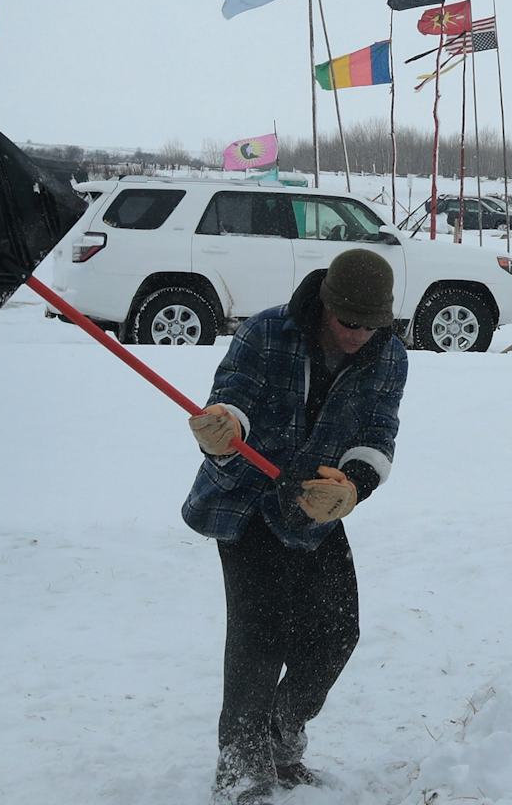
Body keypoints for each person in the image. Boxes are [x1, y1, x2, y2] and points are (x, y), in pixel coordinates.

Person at [183, 249, 406, 802]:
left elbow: (379, 431)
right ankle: (242, 768)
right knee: (259, 638)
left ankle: (281, 737)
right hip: (247, 500)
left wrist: (353, 484)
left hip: (311, 507)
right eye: (349, 322)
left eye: (371, 324)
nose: (359, 335)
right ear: (326, 305)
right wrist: (225, 424)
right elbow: (234, 395)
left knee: (336, 634)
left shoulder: (388, 355)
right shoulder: (267, 331)